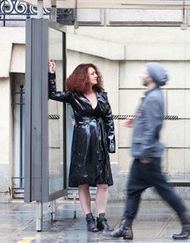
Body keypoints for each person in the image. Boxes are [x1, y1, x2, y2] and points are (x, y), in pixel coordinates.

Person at [110, 63, 190, 240]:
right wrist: (134, 120)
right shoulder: (151, 96)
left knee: (161, 190)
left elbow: (153, 127)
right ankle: (126, 227)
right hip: (145, 153)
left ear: (151, 76)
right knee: (135, 190)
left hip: (147, 155)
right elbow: (148, 121)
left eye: (145, 72)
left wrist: (145, 153)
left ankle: (187, 222)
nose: (142, 74)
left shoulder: (153, 98)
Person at [48, 61, 115, 233]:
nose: (96, 76)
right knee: (83, 182)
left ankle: (101, 218)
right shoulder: (73, 95)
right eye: (92, 73)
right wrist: (51, 74)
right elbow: (53, 94)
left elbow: (108, 117)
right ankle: (89, 218)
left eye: (96, 73)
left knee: (103, 183)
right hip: (82, 142)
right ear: (83, 76)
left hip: (100, 141)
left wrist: (111, 142)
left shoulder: (101, 94)